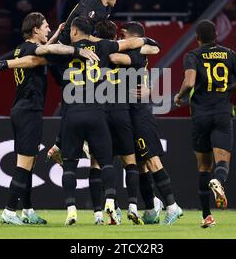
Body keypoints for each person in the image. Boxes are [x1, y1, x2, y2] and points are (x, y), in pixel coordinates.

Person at [0, 12, 98, 225]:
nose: (49, 29)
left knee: (29, 163)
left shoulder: (21, 47)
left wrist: (56, 34)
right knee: (25, 163)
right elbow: (44, 51)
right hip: (29, 111)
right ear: (35, 29)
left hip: (21, 109)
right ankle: (9, 211)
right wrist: (78, 50)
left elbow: (41, 51)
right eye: (46, 26)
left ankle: (27, 210)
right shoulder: (31, 51)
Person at [50, 16, 159, 225]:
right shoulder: (105, 47)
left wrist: (60, 39)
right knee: (111, 161)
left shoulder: (62, 52)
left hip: (72, 113)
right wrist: (147, 41)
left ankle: (79, 211)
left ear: (73, 32)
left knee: (73, 165)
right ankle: (117, 202)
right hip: (100, 112)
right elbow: (133, 45)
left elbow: (42, 51)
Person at [174, 19, 236, 228]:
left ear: (197, 39)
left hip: (200, 116)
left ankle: (206, 215)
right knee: (222, 162)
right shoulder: (229, 54)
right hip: (223, 114)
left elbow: (189, 82)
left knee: (203, 166)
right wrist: (227, 89)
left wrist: (179, 96)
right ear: (216, 36)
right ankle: (220, 182)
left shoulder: (193, 55)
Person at [110, 21, 183, 225]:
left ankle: (172, 206)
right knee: (140, 166)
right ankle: (151, 209)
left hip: (140, 114)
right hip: (130, 114)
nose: (118, 38)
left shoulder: (136, 53)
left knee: (151, 161)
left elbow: (114, 55)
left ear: (129, 36)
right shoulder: (140, 51)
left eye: (121, 35)